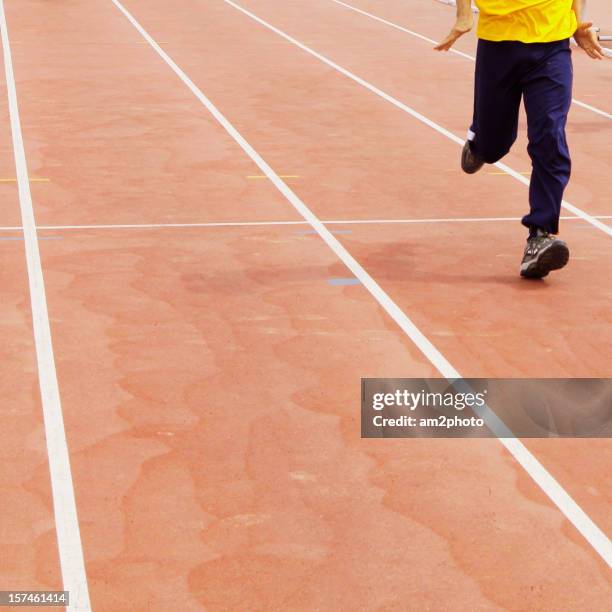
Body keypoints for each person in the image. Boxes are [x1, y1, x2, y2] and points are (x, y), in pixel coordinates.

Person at [435, 1, 604, 279]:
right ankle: (481, 143)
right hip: (499, 43)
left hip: (551, 45)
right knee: (494, 143)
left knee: (549, 134)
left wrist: (576, 22)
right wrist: (464, 14)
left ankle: (540, 234)